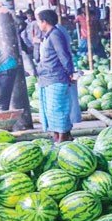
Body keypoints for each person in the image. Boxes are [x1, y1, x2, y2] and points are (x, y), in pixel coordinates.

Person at [36, 9, 78, 141]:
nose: (38, 24)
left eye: (38, 21)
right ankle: (58, 135)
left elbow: (63, 55)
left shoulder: (55, 35)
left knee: (57, 109)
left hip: (56, 77)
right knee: (51, 110)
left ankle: (63, 136)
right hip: (47, 78)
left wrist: (70, 72)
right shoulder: (48, 35)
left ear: (44, 22)